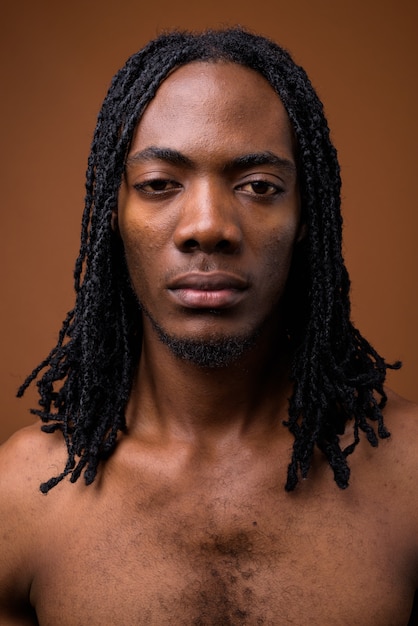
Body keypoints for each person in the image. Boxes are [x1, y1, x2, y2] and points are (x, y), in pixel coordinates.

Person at [0, 27, 417, 625]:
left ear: (305, 217)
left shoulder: (412, 485)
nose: (208, 226)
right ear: (113, 216)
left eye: (258, 187)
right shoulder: (22, 499)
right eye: (159, 185)